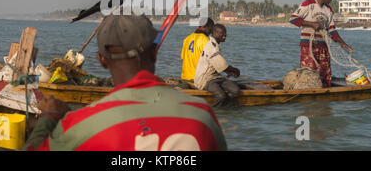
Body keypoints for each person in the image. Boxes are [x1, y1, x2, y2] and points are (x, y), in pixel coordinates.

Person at [23, 15, 227, 151]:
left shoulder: (80, 125)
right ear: (155, 53)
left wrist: (48, 118)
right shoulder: (202, 116)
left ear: (101, 59)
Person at [289, 0, 352, 87]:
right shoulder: (308, 4)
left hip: (324, 46)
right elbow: (293, 19)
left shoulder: (329, 10)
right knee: (309, 73)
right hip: (308, 46)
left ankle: (324, 99)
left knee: (325, 74)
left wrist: (343, 43)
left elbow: (332, 30)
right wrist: (311, 24)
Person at [194, 24, 240, 108]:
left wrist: (230, 71)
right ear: (214, 33)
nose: (224, 36)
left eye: (225, 34)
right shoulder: (211, 47)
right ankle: (214, 111)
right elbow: (223, 66)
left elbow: (220, 65)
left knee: (235, 90)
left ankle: (226, 106)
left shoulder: (214, 45)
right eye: (222, 33)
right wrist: (235, 70)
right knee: (221, 96)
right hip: (206, 79)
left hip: (215, 77)